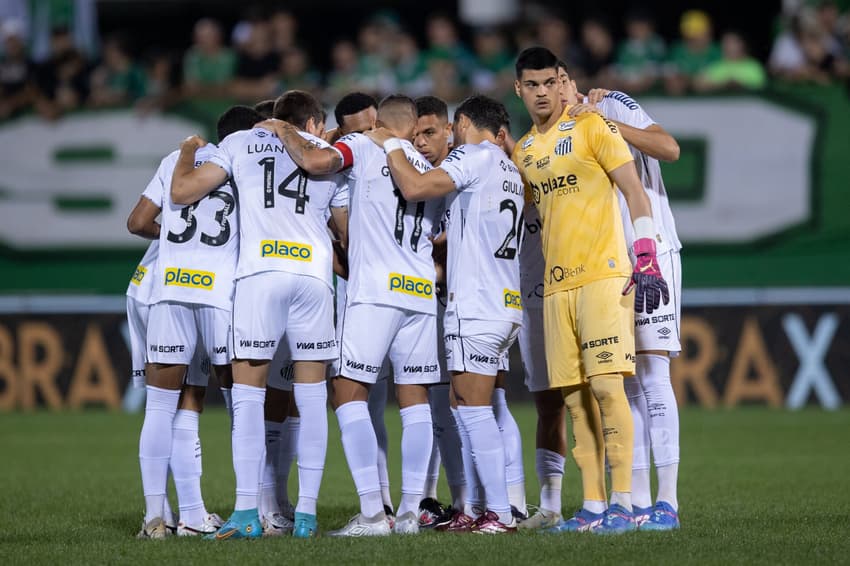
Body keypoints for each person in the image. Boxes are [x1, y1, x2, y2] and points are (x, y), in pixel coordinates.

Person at [260, 94, 443, 536]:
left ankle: (372, 513)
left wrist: (282, 128)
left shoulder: (362, 148)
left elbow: (315, 161)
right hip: (420, 292)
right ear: (414, 125)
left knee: (345, 390)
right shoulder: (430, 170)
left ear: (379, 122)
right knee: (415, 399)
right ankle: (409, 513)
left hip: (375, 291)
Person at [171, 90, 349, 540]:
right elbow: (347, 232)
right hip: (312, 279)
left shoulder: (237, 144)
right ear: (312, 122)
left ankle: (248, 513)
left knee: (248, 400)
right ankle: (305, 516)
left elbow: (183, 191)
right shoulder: (328, 154)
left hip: (259, 277)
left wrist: (188, 151)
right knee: (310, 402)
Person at [511, 46, 669, 534]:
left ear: (562, 81)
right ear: (519, 90)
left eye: (548, 82)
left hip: (603, 275)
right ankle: (595, 507)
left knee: (606, 386)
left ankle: (624, 502)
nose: (542, 92)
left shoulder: (592, 125)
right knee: (575, 398)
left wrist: (645, 251)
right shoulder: (523, 151)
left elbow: (633, 189)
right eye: (531, 85)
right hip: (556, 287)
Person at [365, 94, 525, 534]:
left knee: (472, 409)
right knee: (464, 403)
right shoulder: (509, 168)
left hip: (477, 305)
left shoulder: (474, 156)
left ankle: (499, 514)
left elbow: (416, 188)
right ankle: (476, 509)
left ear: (465, 122)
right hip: (504, 303)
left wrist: (392, 145)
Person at [130, 105, 260, 539]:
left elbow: (137, 221)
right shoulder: (249, 162)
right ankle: (250, 508)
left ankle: (159, 516)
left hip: (169, 290)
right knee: (239, 400)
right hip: (218, 295)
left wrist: (171, 237)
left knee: (163, 406)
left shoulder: (176, 160)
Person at [578, 84, 683, 530]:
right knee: (622, 381)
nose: (554, 92)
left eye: (559, 81)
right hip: (606, 264)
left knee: (654, 372)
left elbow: (668, 148)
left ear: (569, 82)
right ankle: (637, 503)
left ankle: (668, 502)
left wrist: (606, 122)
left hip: (652, 252)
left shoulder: (609, 105)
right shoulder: (563, 135)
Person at [411, 95, 467, 528]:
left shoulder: (463, 172)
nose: (423, 142)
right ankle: (430, 499)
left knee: (479, 404)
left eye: (430, 132)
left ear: (449, 130)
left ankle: (488, 500)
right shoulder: (424, 177)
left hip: (468, 302)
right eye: (416, 135)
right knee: (433, 403)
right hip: (432, 302)